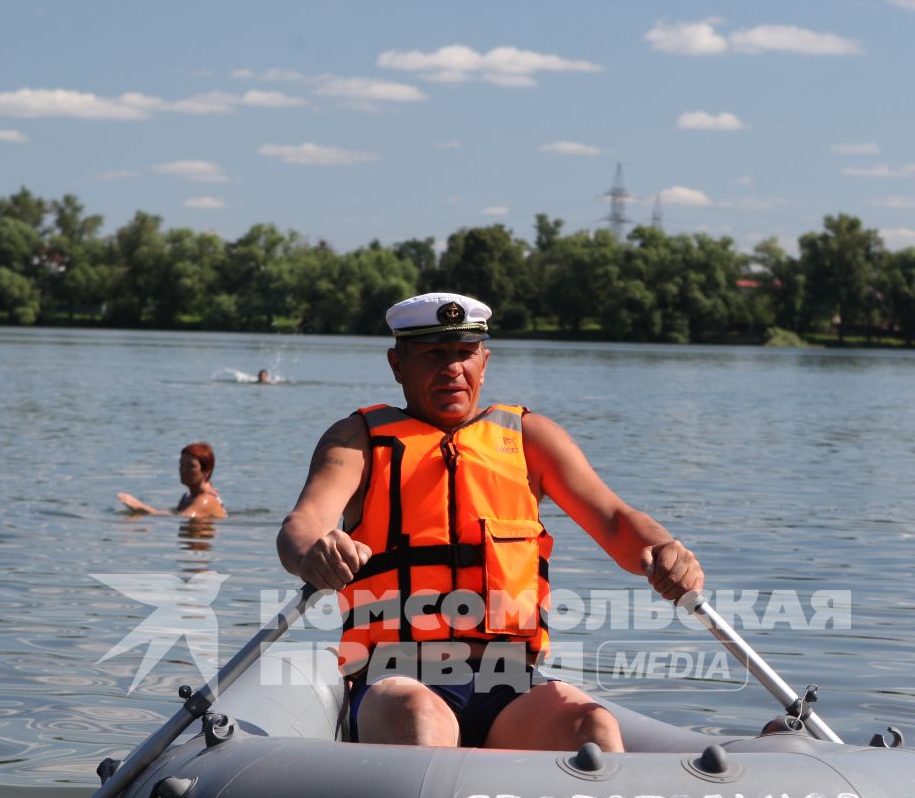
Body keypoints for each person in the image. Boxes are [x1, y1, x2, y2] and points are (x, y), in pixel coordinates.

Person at [278, 291, 702, 751]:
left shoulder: (530, 438)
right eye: (434, 355)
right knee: (423, 719)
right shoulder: (357, 440)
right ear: (397, 365)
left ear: (485, 361)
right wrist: (312, 554)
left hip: (509, 684)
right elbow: (303, 524)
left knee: (593, 729)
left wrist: (664, 550)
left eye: (465, 354)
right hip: (395, 679)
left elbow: (617, 522)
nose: (452, 369)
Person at [119, 442, 227, 517]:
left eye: (190, 466)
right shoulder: (188, 498)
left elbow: (180, 519)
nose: (183, 470)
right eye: (181, 465)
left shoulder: (206, 500)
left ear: (206, 471)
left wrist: (140, 507)